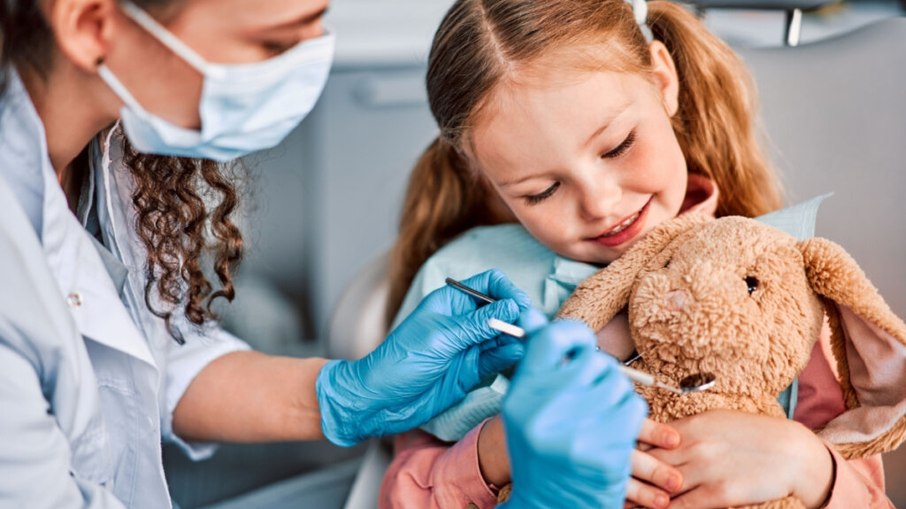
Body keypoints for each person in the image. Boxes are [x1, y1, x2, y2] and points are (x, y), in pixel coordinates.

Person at [0, 0, 648, 507]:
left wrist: (343, 393)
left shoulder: (102, 150)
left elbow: (150, 360)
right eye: (275, 43)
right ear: (91, 25)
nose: (305, 64)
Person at [380, 0, 895, 508]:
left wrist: (805, 463)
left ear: (662, 80)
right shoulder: (463, 292)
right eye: (541, 190)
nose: (601, 205)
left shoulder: (774, 281)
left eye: (618, 145)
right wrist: (498, 451)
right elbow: (397, 491)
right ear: (485, 177)